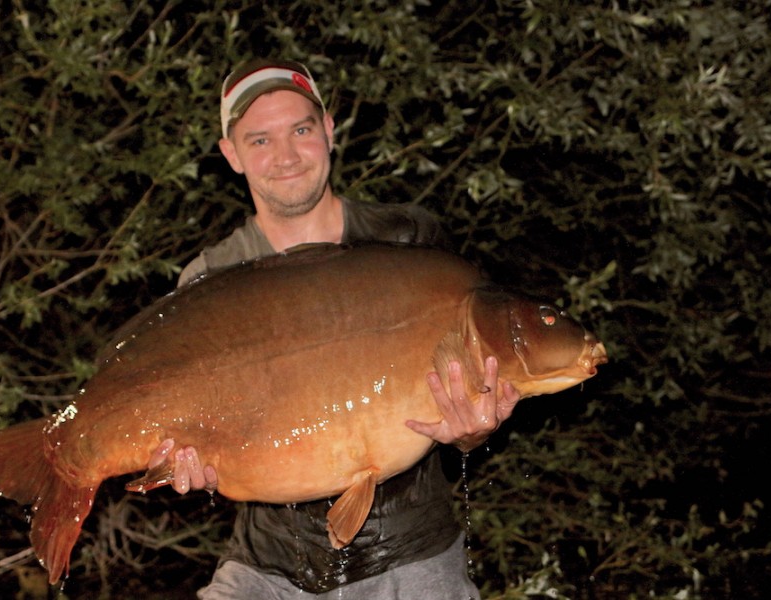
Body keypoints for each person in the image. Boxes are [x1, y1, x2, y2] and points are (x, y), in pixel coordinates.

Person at [148, 58, 521, 599]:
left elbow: (469, 392)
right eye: (260, 140)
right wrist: (191, 464)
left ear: (328, 130)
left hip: (409, 553)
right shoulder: (210, 280)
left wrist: (476, 428)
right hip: (268, 565)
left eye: (300, 129)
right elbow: (195, 438)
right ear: (230, 154)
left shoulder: (407, 241)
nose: (286, 156)